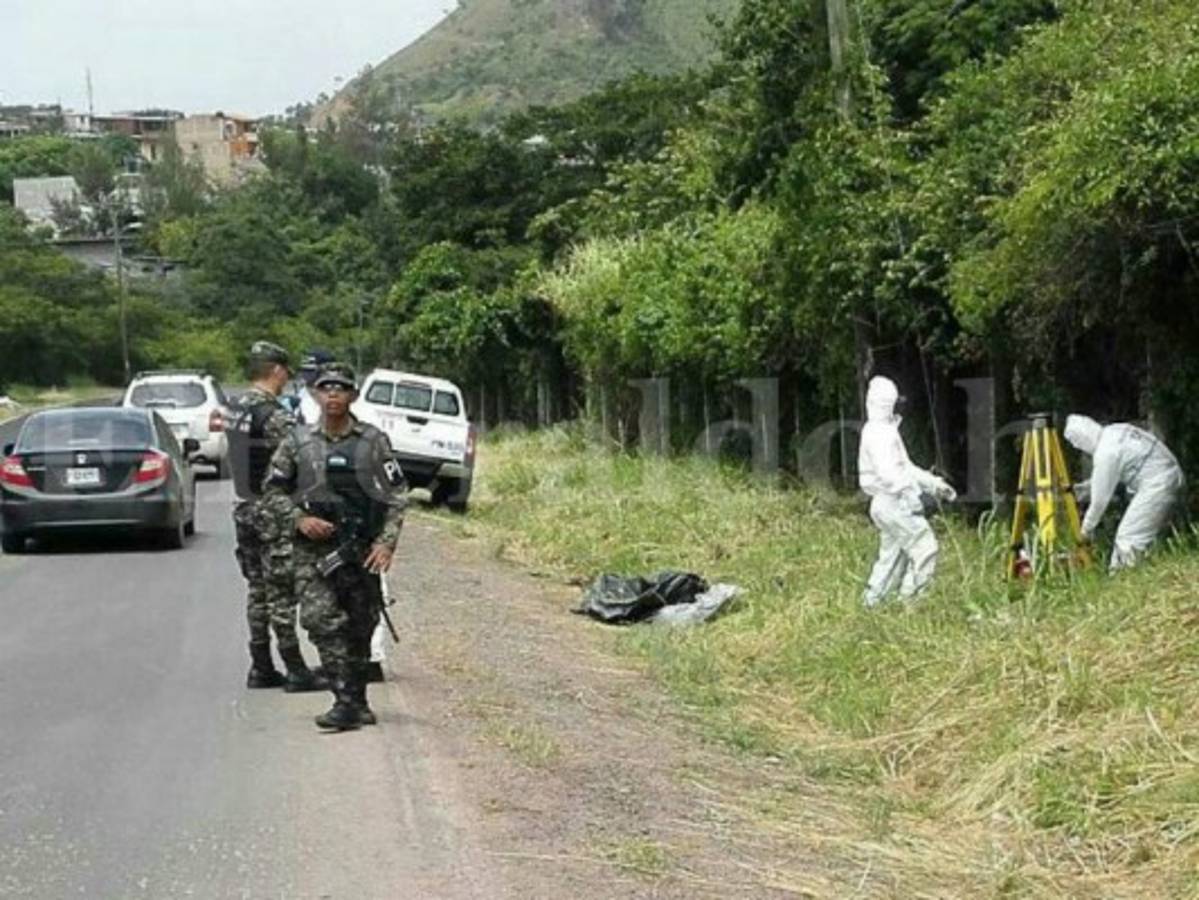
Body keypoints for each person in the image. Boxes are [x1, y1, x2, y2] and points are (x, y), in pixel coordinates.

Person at [264, 363, 408, 731]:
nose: (332, 394)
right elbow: (273, 489)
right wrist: (298, 519)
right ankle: (344, 699)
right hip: (314, 553)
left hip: (360, 549)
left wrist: (386, 543)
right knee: (318, 619)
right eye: (325, 388)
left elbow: (396, 495)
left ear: (353, 395)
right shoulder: (297, 441)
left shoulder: (373, 441)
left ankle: (356, 701)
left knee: (360, 626)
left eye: (340, 388)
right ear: (314, 394)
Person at [225, 341, 324, 692]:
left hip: (244, 507)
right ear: (277, 371)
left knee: (258, 591)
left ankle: (261, 666)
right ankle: (295, 668)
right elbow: (303, 460)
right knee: (281, 592)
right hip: (272, 510)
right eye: (286, 373)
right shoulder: (274, 415)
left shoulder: (234, 407)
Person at [857, 376, 957, 606]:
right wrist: (912, 497)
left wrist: (934, 484)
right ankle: (911, 603)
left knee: (893, 556)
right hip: (894, 502)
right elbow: (890, 474)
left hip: (885, 503)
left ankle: (873, 602)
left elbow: (906, 467)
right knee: (925, 547)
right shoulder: (881, 434)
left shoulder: (879, 430)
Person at [1063, 414, 1184, 571]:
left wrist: (1085, 531)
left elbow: (1099, 502)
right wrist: (1083, 489)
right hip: (1168, 474)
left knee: (1128, 538)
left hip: (1157, 484)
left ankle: (1121, 581)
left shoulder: (1105, 453)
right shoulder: (1114, 431)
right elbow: (1109, 476)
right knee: (1148, 537)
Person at [295, 350, 333, 425]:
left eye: (311, 371)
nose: (305, 375)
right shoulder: (300, 395)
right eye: (304, 370)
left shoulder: (338, 397)